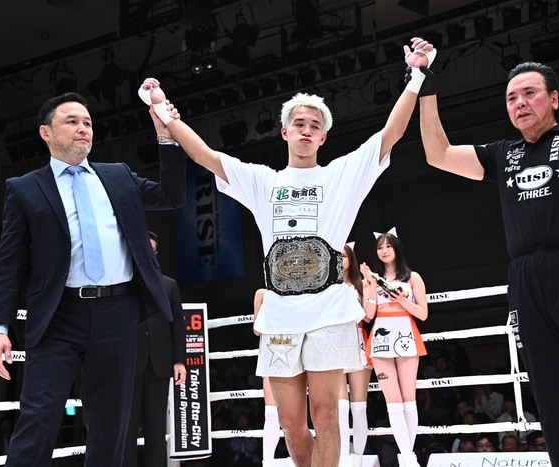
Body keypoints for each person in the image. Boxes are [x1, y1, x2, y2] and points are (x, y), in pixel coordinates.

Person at [139, 36, 436, 467]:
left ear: (324, 137)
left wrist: (416, 76)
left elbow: (391, 133)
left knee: (327, 415)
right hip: (280, 314)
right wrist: (165, 113)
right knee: (292, 424)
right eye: (299, 122)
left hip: (330, 311)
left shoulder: (342, 175)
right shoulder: (263, 180)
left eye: (315, 125)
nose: (306, 129)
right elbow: (205, 156)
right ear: (285, 131)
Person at [417, 59, 559, 466]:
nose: (519, 102)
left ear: (554, 98)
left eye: (529, 93)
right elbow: (438, 154)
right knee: (551, 395)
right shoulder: (504, 154)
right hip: (526, 279)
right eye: (511, 98)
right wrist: (426, 90)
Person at [0, 91, 187, 467]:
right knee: (38, 417)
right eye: (72, 121)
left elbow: (172, 195)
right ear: (46, 132)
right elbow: (9, 264)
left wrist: (166, 135)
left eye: (88, 122)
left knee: (111, 427)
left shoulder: (118, 176)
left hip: (118, 312)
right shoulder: (25, 188)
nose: (83, 128)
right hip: (57, 315)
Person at [361, 228, 428, 467]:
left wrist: (401, 300)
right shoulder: (371, 280)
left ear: (397, 248)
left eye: (388, 246)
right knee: (393, 401)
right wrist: (370, 284)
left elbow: (423, 314)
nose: (384, 250)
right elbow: (368, 316)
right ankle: (407, 456)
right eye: (380, 247)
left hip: (406, 334)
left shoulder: (413, 278)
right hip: (381, 340)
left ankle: (408, 456)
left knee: (409, 399)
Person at [124, 231, 188, 467]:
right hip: (129, 363)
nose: (149, 254)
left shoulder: (169, 285)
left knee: (156, 427)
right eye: (145, 249)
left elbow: (178, 326)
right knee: (127, 427)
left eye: (153, 250)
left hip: (160, 363)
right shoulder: (122, 284)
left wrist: (180, 361)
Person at [338, 242, 373, 466]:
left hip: (357, 340)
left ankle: (358, 460)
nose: (340, 260)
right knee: (339, 409)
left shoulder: (360, 285)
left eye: (343, 256)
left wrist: (369, 284)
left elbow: (368, 316)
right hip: (333, 345)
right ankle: (343, 459)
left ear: (351, 259)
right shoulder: (325, 287)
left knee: (358, 408)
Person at [252, 288, 282, 463]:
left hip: (298, 349)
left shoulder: (301, 290)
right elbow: (257, 330)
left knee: (297, 415)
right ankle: (268, 462)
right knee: (271, 413)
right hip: (273, 350)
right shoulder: (262, 294)